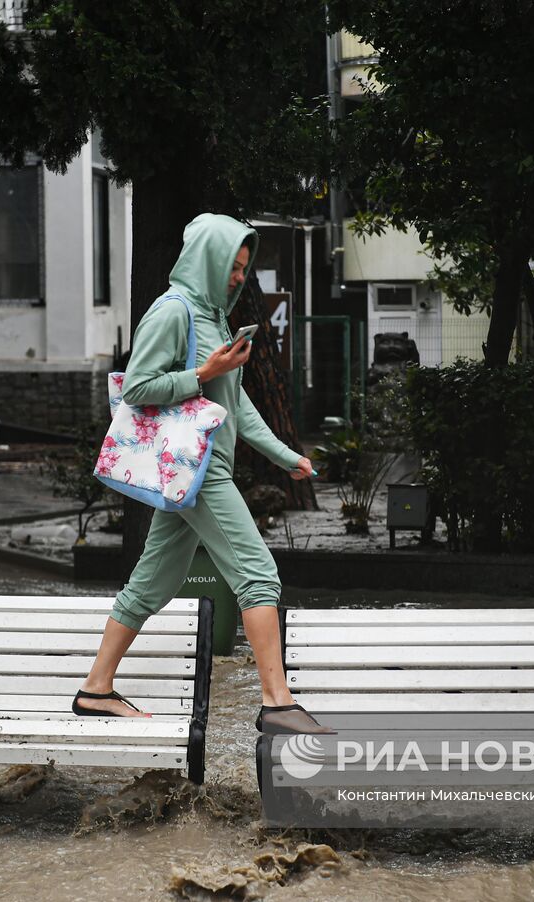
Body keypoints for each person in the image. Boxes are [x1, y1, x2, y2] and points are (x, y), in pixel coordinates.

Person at [73, 213, 333, 735]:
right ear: (207, 260)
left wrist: (287, 456)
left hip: (196, 470)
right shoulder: (173, 312)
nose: (239, 277)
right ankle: (277, 702)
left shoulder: (215, 317)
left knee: (152, 584)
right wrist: (204, 373)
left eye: (243, 268)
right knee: (258, 575)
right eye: (232, 267)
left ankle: (95, 689)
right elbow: (137, 388)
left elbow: (236, 405)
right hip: (196, 470)